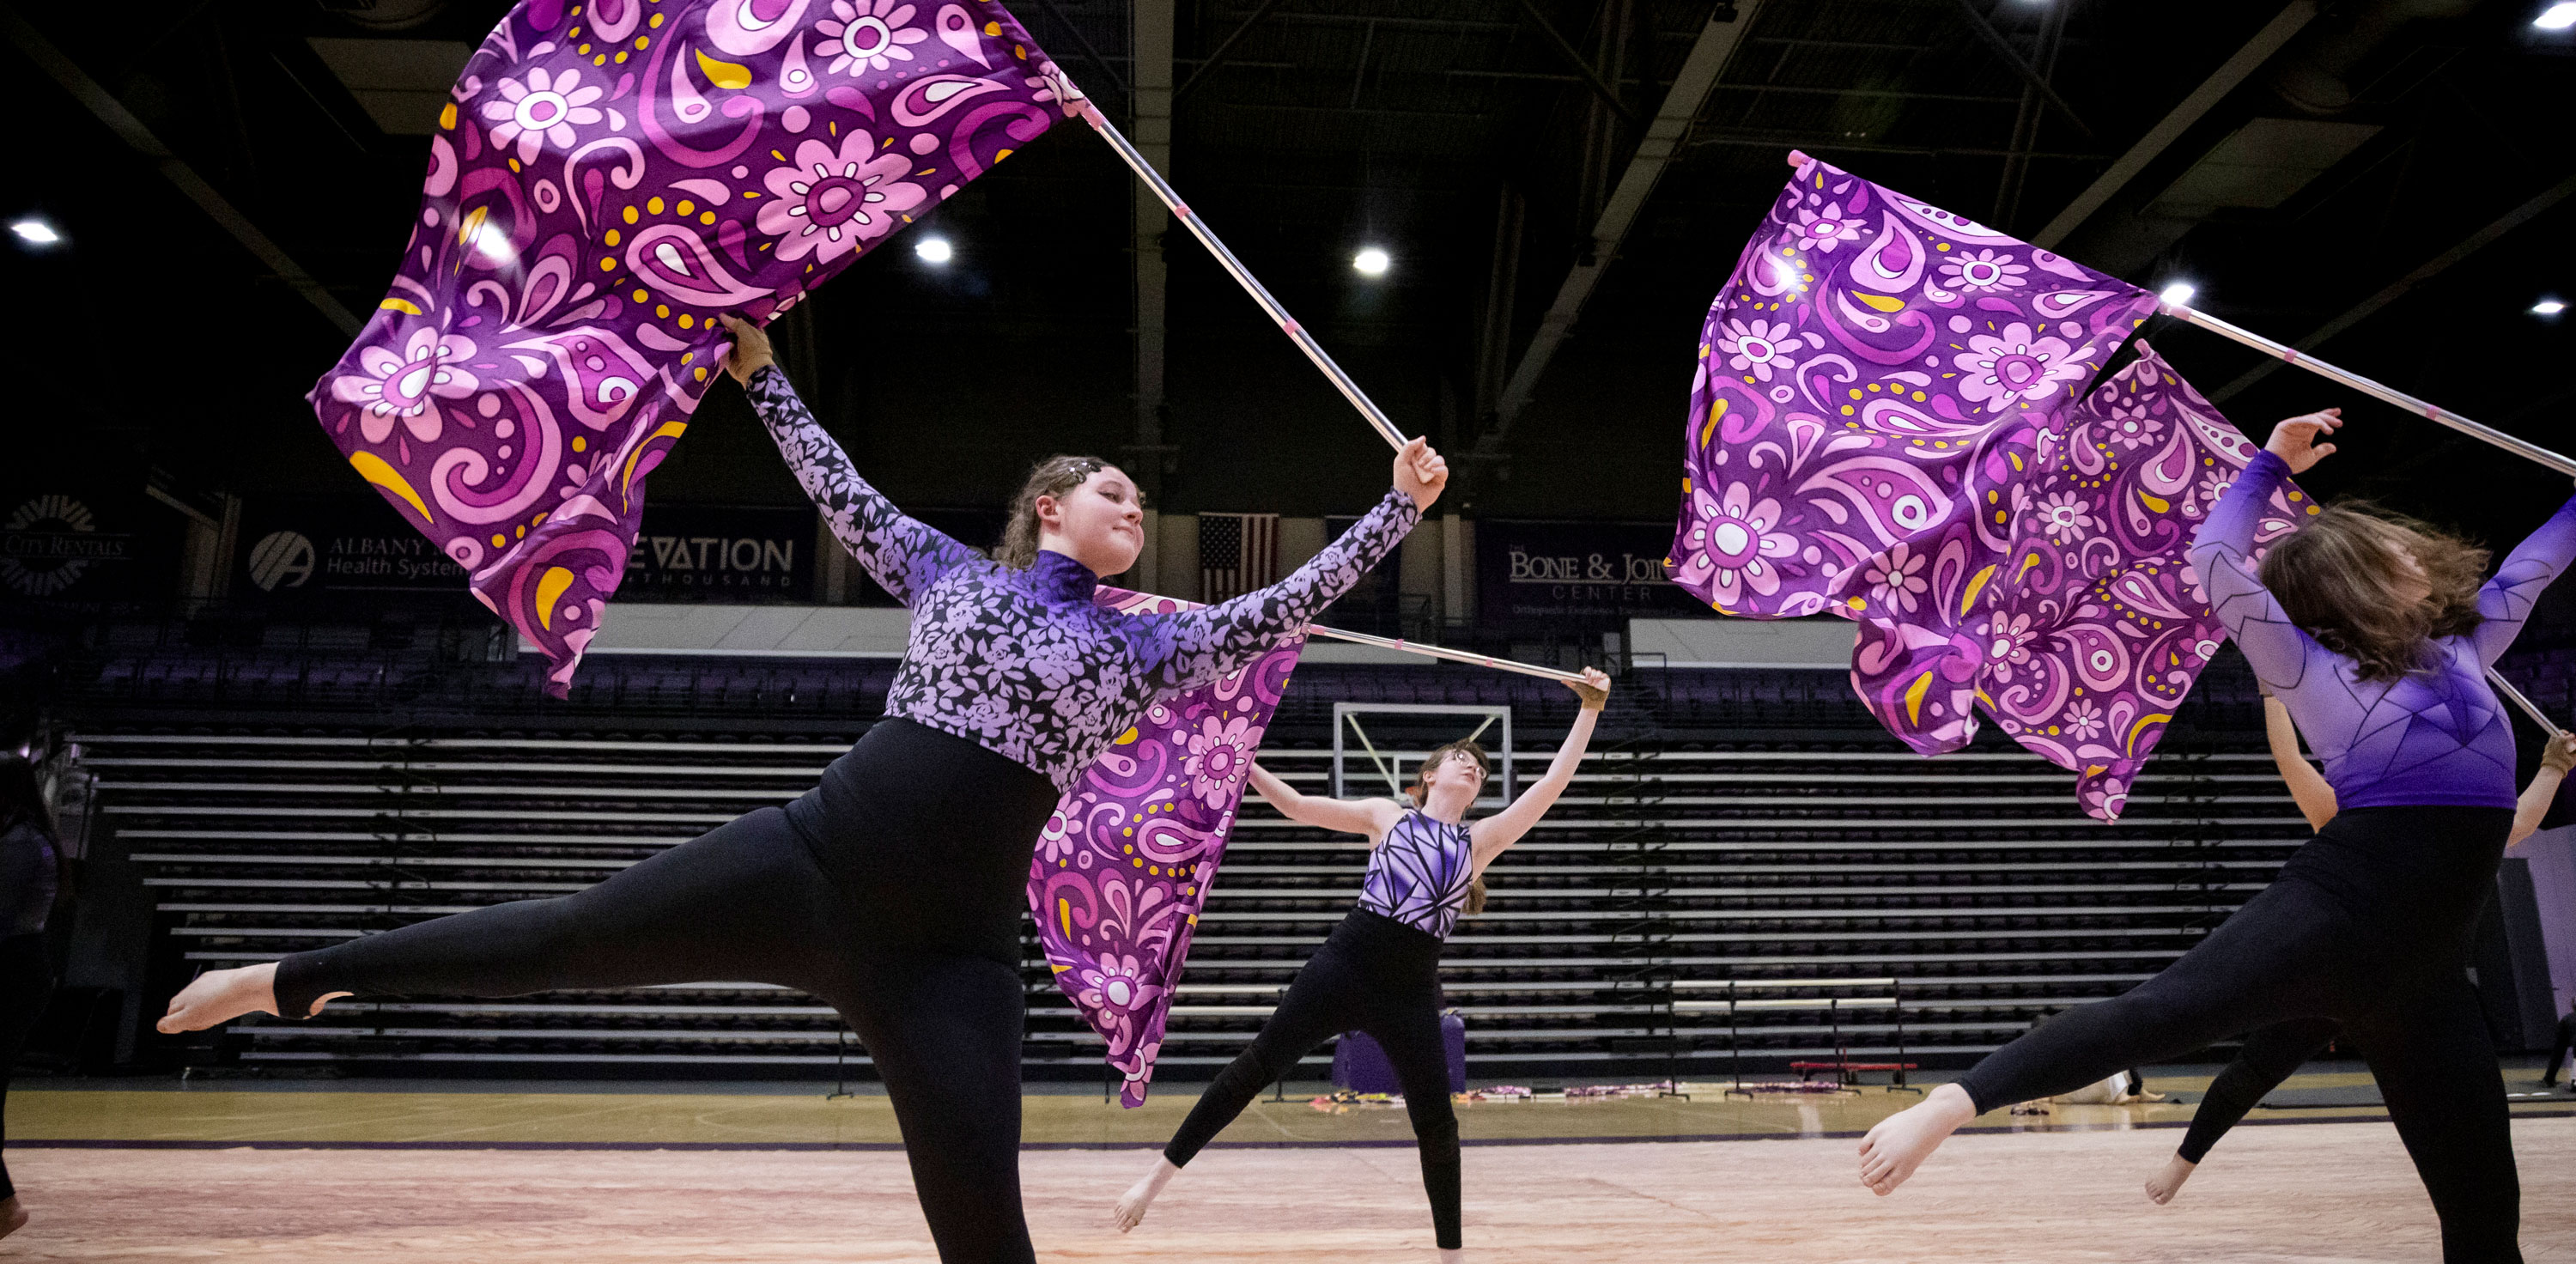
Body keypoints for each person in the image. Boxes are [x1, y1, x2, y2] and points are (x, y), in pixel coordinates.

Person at [157, 313, 1449, 1264]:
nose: (1135, 505)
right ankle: (288, 977)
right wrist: (765, 375)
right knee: (557, 939)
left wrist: (1394, 510)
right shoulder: (954, 576)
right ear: (1050, 508)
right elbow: (837, 490)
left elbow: (1287, 605)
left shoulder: (1150, 639)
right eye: (1115, 491)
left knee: (987, 1240)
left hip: (950, 964)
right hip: (811, 862)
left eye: (1137, 498)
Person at [1856, 406, 2576, 1263]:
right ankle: (1950, 1103)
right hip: (2336, 914)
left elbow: (2537, 560)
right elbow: (2217, 561)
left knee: (2488, 1224)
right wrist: (2269, 462)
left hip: (2427, 979)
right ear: (2351, 580)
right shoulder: (2306, 665)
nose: (2418, 556)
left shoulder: (2468, 645)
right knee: (2159, 1012)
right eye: (2393, 553)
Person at [1110, 668, 1613, 1261]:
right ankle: (1154, 1180)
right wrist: (1240, 760)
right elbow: (1297, 806)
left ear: (1478, 792)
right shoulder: (1387, 816)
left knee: (1438, 1127)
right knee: (1255, 1065)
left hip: (1410, 992)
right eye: (1459, 757)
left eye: (1479, 766)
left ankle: (1451, 1258)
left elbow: (1553, 784)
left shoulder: (1481, 841)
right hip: (1344, 965)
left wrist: (1590, 710)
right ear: (1429, 776)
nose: (1471, 766)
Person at [2143, 694, 2576, 1206]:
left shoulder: (2451, 831)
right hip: (2335, 975)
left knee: (2447, 1100)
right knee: (2254, 1071)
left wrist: (2552, 766)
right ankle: (2182, 1162)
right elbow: (2290, 760)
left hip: (2410, 988)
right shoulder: (2343, 814)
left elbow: (2519, 822)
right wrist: (2273, 693)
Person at [0, 752, 64, 1242]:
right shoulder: (18, 837)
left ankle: (4, 1206)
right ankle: (3, 1205)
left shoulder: (23, 841)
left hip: (11, 968)